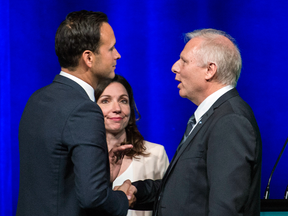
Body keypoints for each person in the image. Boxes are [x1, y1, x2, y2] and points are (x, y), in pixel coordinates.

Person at [131, 29, 262, 215]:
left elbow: (225, 209)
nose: (174, 67)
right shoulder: (212, 116)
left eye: (184, 61)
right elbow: (188, 190)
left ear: (210, 70)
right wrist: (138, 192)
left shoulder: (230, 121)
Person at [17, 10, 136, 216]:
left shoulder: (36, 99)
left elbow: (53, 180)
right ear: (88, 58)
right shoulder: (85, 110)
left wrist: (98, 175)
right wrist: (122, 198)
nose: (118, 54)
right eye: (111, 48)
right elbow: (93, 198)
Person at [95, 74, 169, 216]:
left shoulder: (155, 154)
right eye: (105, 101)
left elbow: (169, 204)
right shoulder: (79, 156)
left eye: (123, 101)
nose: (117, 108)